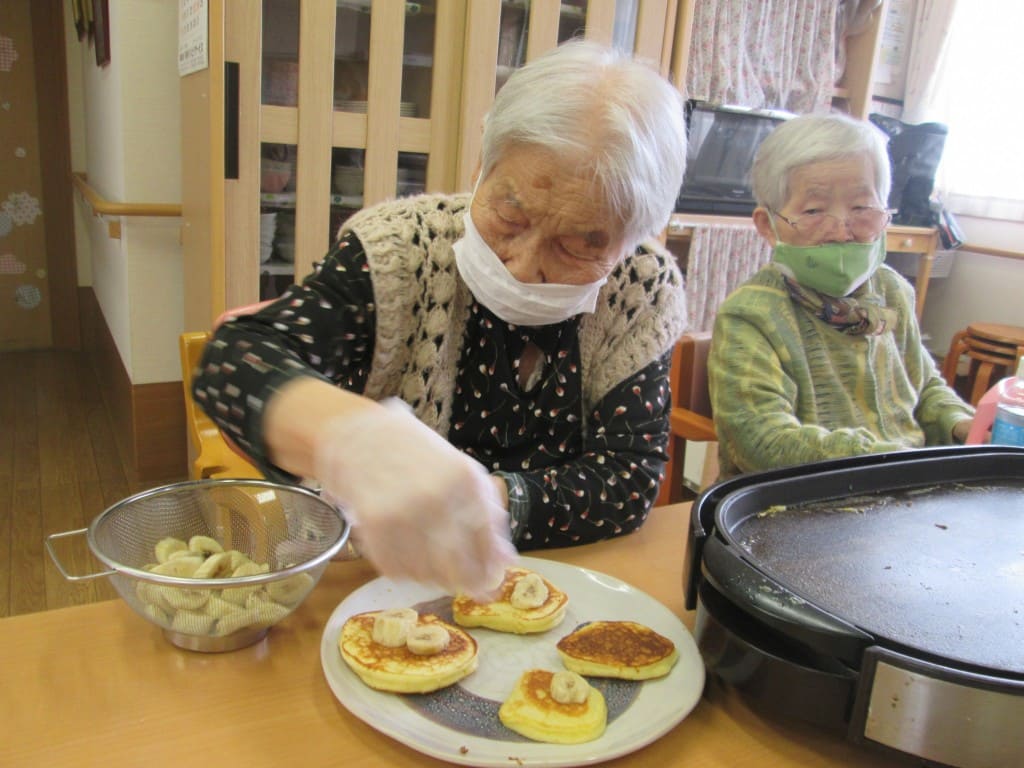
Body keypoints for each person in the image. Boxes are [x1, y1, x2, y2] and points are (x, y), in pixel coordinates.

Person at [193, 40, 688, 595]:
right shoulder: (401, 252)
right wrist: (356, 444)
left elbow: (627, 478)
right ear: (483, 166)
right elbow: (234, 362)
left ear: (629, 240)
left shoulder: (639, 289)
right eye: (510, 211)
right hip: (372, 581)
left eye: (576, 246)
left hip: (567, 584)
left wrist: (477, 503)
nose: (523, 265)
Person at [708, 112, 974, 479]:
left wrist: (963, 425)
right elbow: (760, 441)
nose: (840, 230)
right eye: (814, 210)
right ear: (769, 226)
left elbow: (923, 386)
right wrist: (888, 458)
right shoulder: (751, 314)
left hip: (902, 491)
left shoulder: (892, 291)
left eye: (861, 208)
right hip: (798, 507)